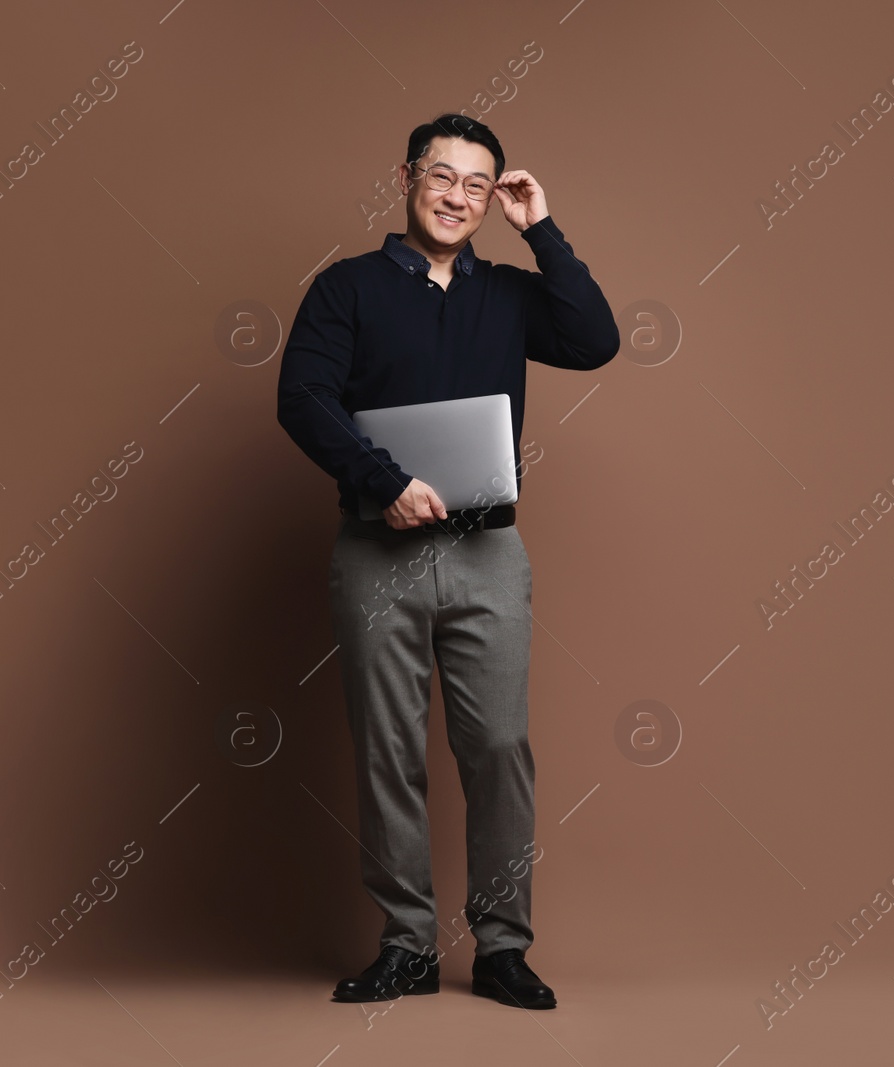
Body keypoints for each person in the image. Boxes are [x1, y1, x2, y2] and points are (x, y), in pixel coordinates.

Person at [276, 113, 618, 1010]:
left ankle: (503, 947)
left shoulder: (506, 292)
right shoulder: (345, 288)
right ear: (406, 178)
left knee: (499, 746)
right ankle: (409, 945)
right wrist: (381, 479)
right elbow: (303, 396)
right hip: (375, 548)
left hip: (487, 551)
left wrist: (539, 227)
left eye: (479, 185)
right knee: (388, 751)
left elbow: (595, 339)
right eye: (443, 177)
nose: (459, 196)